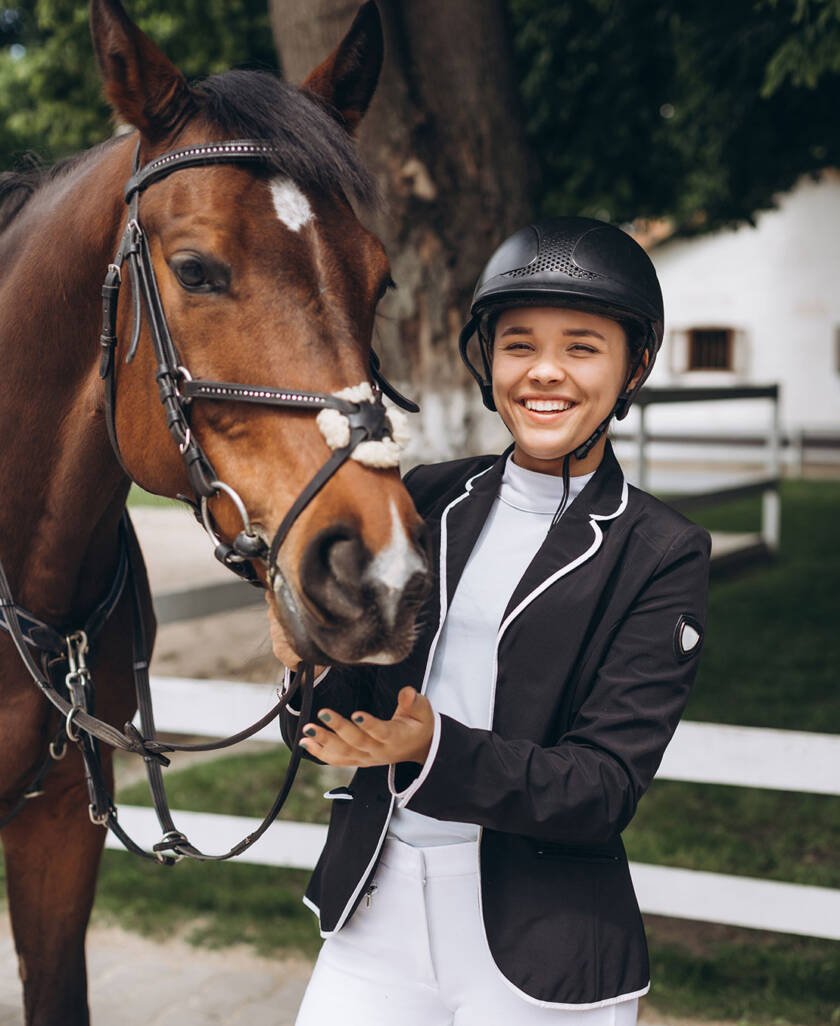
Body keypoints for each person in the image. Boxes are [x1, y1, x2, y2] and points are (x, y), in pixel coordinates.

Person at [272, 217, 711, 1026]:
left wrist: (432, 749)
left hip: (540, 940)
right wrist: (307, 667)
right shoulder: (430, 495)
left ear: (633, 365)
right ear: (488, 360)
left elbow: (604, 786)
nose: (545, 373)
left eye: (581, 347)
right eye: (518, 346)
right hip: (377, 911)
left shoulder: (662, 552)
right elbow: (350, 685)